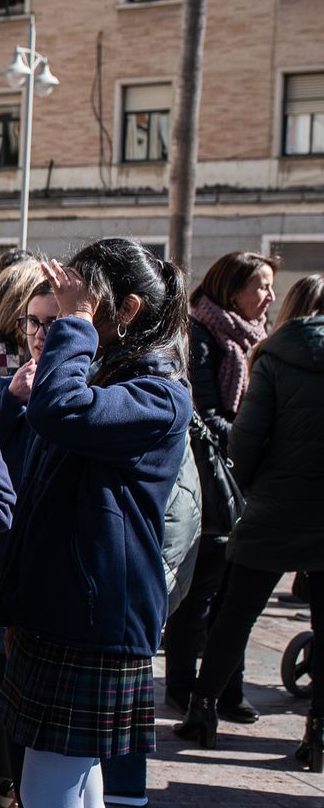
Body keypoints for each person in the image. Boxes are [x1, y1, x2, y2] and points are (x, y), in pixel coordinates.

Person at [0, 243, 191, 808]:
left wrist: (71, 333)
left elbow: (63, 413)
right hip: (71, 609)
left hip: (96, 616)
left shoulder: (157, 393)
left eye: (80, 305)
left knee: (49, 795)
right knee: (78, 793)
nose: (56, 324)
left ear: (127, 311)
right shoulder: (106, 377)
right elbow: (29, 444)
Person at [176, 274, 324, 765]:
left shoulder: (276, 355)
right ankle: (319, 734)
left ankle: (203, 710)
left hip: (276, 506)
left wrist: (254, 488)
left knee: (236, 613)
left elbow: (246, 439)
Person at [163, 251, 276, 723]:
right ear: (233, 288)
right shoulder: (203, 335)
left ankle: (228, 688)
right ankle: (182, 687)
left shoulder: (255, 337)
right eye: (261, 285)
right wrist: (256, 439)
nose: (269, 295)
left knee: (234, 595)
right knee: (203, 591)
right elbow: (204, 414)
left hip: (243, 478)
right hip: (211, 479)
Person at [0, 280, 59, 808]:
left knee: (42, 704)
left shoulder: (88, 392)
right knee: (6, 690)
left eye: (53, 323)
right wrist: (9, 402)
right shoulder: (4, 388)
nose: (39, 334)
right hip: (0, 567)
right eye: (33, 321)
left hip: (49, 573)